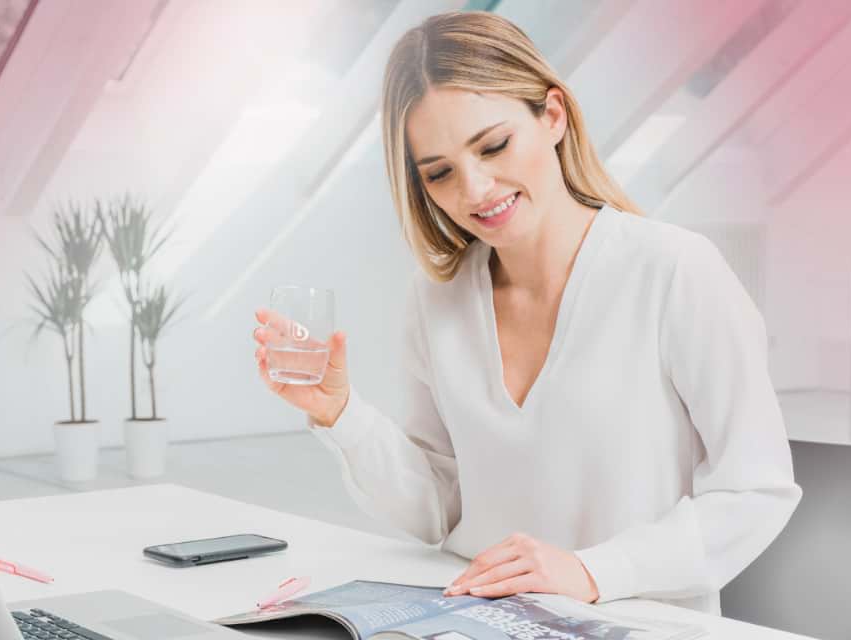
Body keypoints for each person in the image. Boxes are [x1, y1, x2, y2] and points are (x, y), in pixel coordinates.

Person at [251, 11, 800, 615]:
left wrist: (590, 571)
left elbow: (756, 489)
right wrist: (340, 413)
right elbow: (438, 509)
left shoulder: (675, 271)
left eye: (494, 145)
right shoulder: (437, 299)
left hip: (637, 625)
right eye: (439, 173)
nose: (476, 189)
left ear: (554, 116)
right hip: (479, 621)